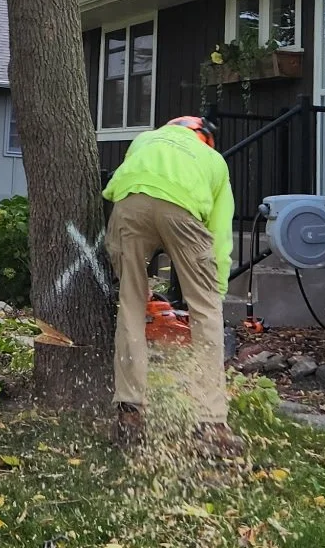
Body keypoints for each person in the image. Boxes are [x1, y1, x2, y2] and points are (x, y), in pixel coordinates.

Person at [102, 114, 238, 452]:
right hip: (184, 210)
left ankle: (130, 412)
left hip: (128, 206)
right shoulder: (213, 160)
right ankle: (211, 423)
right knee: (205, 312)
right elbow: (220, 234)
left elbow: (134, 190)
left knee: (131, 306)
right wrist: (215, 290)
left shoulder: (144, 140)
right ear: (202, 136)